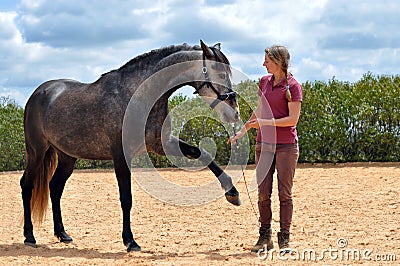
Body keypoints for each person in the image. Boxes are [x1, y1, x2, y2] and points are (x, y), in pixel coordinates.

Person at [229, 45, 302, 253]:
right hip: (264, 145)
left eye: (267, 61)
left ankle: (284, 240)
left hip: (286, 146)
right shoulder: (264, 82)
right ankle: (264, 237)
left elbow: (292, 120)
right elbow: (258, 113)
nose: (263, 64)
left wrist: (264, 122)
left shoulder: (294, 86)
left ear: (278, 62)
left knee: (284, 194)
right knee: (263, 194)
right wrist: (242, 132)